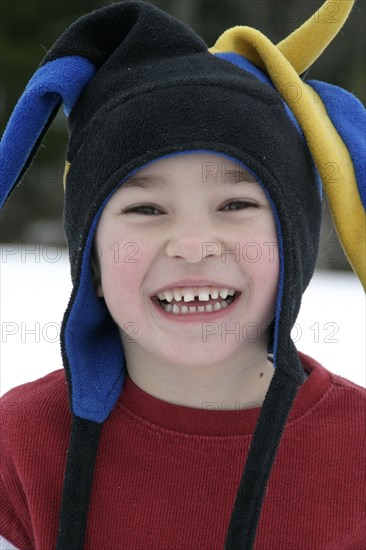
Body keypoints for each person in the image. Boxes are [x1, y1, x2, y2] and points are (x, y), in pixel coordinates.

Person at [0, 1, 365, 549]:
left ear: (293, 240)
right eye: (145, 210)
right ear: (91, 260)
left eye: (236, 204)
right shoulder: (18, 447)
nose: (193, 246)